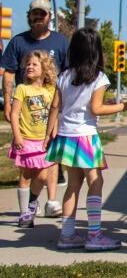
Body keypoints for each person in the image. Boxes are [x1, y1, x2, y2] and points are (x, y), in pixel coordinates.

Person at [44, 27, 125, 251]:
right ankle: (95, 234)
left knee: (73, 185)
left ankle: (67, 235)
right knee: (96, 182)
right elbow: (96, 108)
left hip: (66, 136)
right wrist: (121, 106)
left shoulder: (64, 76)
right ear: (96, 51)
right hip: (86, 136)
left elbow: (55, 107)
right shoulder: (99, 78)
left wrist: (49, 134)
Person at [1, 0, 68, 217]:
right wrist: (9, 104)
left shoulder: (60, 42)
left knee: (52, 157)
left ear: (50, 17)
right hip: (27, 112)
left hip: (54, 106)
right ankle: (29, 207)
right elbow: (9, 73)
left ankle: (51, 202)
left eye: (43, 14)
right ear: (29, 15)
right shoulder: (18, 42)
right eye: (34, 13)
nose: (38, 17)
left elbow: (68, 74)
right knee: (28, 168)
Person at [8, 50, 58, 228]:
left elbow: (55, 114)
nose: (29, 66)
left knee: (43, 176)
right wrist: (17, 135)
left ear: (45, 68)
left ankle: (32, 202)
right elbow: (14, 114)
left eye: (34, 64)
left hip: (43, 141)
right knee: (26, 175)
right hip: (26, 139)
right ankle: (24, 214)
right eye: (28, 64)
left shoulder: (51, 90)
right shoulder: (22, 89)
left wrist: (53, 134)